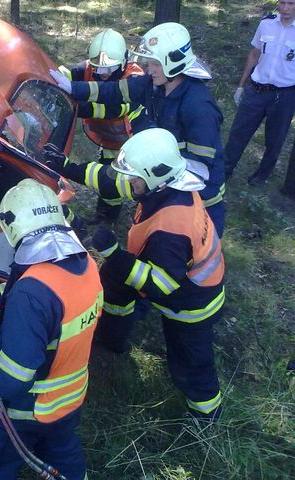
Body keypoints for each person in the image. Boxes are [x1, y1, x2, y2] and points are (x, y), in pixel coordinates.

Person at [0, 178, 103, 480]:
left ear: (11, 227)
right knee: (62, 450)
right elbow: (45, 297)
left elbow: (13, 378)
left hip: (25, 409)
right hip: (69, 398)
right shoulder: (86, 265)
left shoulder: (32, 294)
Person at [88, 128, 225, 420]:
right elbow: (113, 183)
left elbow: (160, 285)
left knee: (191, 365)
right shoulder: (167, 186)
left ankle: (206, 417)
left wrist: (114, 254)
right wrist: (67, 168)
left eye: (133, 175)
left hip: (191, 308)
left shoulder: (170, 231)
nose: (128, 180)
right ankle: (113, 338)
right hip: (189, 283)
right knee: (117, 282)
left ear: (150, 177)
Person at [51, 22, 226, 237]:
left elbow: (201, 165)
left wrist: (151, 170)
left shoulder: (199, 106)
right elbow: (116, 90)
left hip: (198, 196)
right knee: (117, 184)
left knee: (189, 248)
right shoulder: (155, 84)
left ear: (174, 62)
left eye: (155, 64)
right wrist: (73, 87)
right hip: (164, 177)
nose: (149, 70)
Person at [58, 28, 148, 223]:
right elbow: (64, 75)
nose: (103, 73)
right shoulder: (87, 69)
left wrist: (82, 108)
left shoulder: (135, 78)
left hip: (132, 140)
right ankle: (105, 216)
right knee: (108, 181)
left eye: (109, 68)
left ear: (124, 61)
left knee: (129, 183)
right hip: (108, 141)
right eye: (98, 67)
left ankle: (140, 216)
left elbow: (117, 109)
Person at [223, 0, 295, 187]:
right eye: (283, 2)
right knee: (238, 132)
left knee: (275, 139)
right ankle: (225, 168)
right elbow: (255, 54)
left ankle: (261, 175)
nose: (286, 8)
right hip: (256, 90)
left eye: (291, 3)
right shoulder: (266, 24)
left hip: (284, 95)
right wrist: (241, 85)